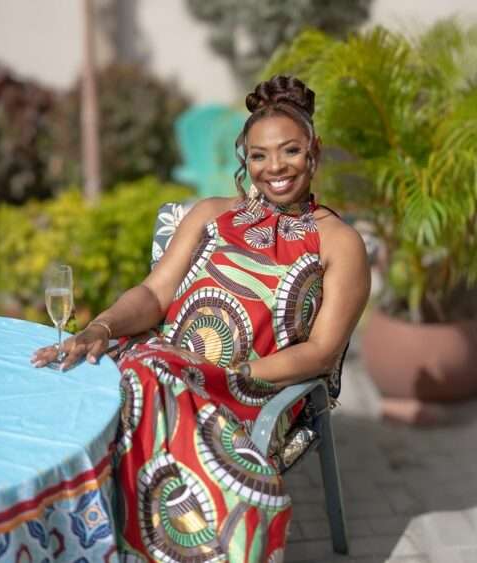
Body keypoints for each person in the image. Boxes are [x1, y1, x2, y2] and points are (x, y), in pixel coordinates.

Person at [32, 75, 370, 562]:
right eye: (259, 155)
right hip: (164, 368)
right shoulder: (210, 214)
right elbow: (154, 293)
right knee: (85, 380)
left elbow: (321, 352)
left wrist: (229, 373)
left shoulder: (339, 243)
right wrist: (100, 328)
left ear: (314, 151)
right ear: (246, 160)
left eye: (290, 151)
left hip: (253, 389)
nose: (275, 167)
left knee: (133, 381)